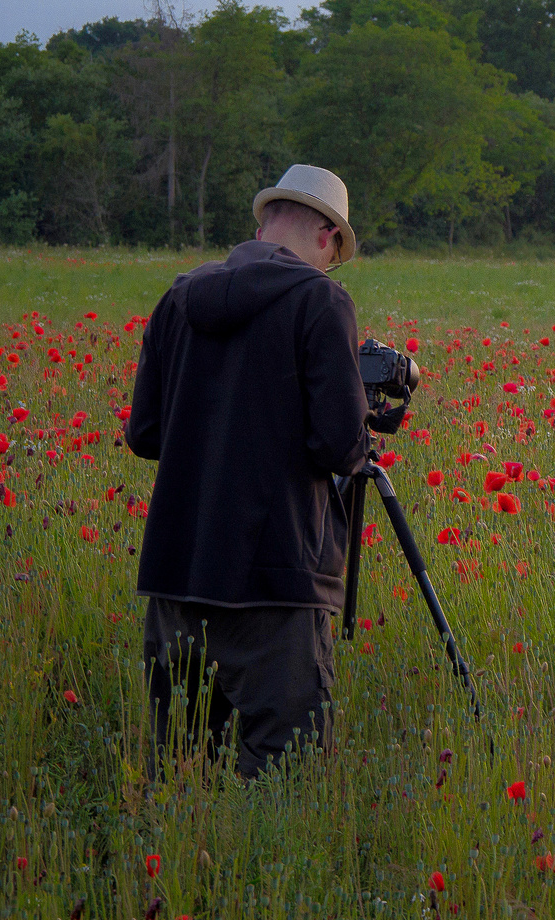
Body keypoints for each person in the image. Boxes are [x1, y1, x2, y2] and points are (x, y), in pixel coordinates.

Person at [126, 164, 370, 779]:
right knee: (288, 778)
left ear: (263, 224)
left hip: (175, 579)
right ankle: (261, 876)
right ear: (324, 237)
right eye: (335, 254)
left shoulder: (179, 297)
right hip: (277, 587)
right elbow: (341, 447)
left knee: (179, 771)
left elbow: (144, 435)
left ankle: (178, 871)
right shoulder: (320, 302)